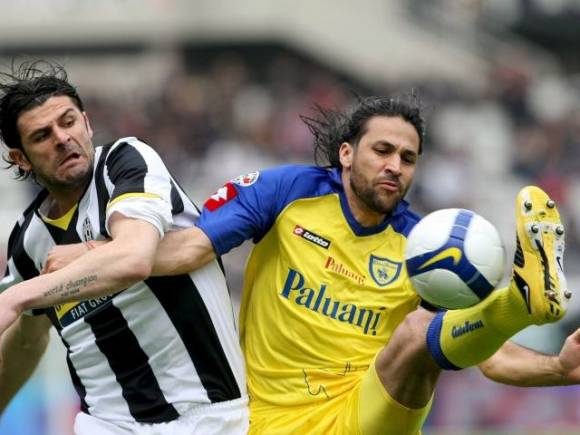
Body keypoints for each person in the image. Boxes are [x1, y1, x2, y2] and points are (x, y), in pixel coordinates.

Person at [14, 94, 580, 434]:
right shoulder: (287, 192)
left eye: (408, 158)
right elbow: (190, 248)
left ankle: (519, 301)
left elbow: (484, 353)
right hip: (260, 420)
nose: (396, 167)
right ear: (347, 153)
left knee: (416, 334)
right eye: (383, 151)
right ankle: (517, 302)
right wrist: (101, 252)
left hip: (362, 411)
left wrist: (556, 368)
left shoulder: (424, 245)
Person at [0, 61, 248, 435]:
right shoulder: (28, 241)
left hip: (208, 418)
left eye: (68, 122)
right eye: (41, 136)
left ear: (87, 124)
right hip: (107, 423)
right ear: (20, 159)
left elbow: (134, 258)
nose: (62, 138)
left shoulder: (124, 162)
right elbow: (25, 341)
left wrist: (17, 296)